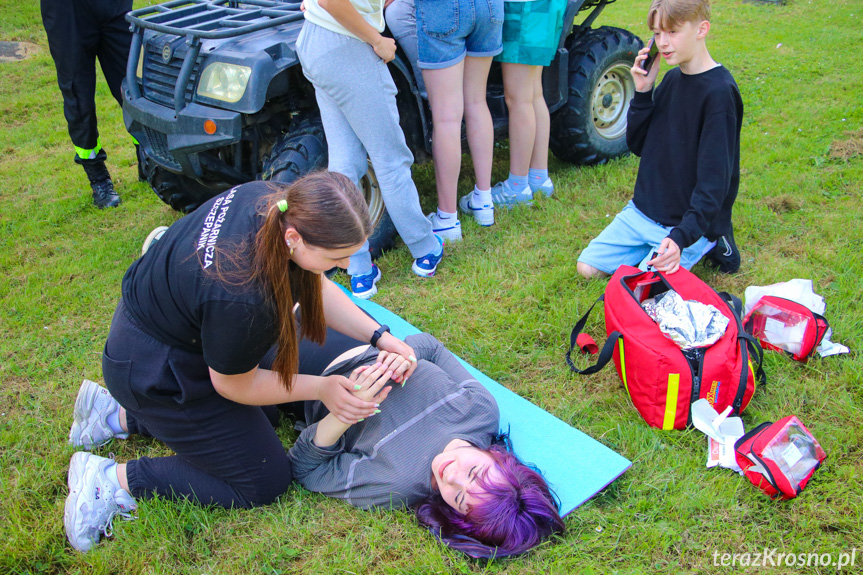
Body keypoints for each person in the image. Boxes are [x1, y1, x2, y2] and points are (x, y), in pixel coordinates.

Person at [63, 172, 421, 553]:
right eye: (338, 257)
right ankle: (109, 479)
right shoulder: (245, 298)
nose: (348, 266)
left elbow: (314, 283)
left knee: (265, 417)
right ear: (294, 239)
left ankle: (110, 416)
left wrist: (380, 336)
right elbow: (234, 385)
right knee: (263, 479)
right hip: (150, 370)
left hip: (167, 333)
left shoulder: (274, 201)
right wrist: (322, 388)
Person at [287, 330, 565, 556]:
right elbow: (430, 347)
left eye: (457, 497)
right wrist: (404, 358)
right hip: (358, 333)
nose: (451, 475)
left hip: (301, 369)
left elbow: (307, 469)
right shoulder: (480, 411)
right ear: (500, 459)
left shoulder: (397, 483)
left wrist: (345, 414)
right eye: (474, 472)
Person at [576, 0, 743, 278]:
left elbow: (715, 182)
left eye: (672, 32)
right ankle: (653, 248)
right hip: (643, 212)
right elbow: (639, 146)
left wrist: (681, 237)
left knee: (640, 289)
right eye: (656, 34)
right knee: (587, 269)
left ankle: (712, 237)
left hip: (683, 224)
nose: (662, 43)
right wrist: (643, 92)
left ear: (702, 29)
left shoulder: (719, 94)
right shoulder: (672, 80)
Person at [296, 0, 444, 300]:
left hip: (316, 38)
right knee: (391, 159)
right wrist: (378, 40)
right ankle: (425, 248)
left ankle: (359, 268)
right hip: (348, 44)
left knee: (345, 164)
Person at [415, 0, 504, 241]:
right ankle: (484, 201)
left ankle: (447, 218)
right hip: (489, 6)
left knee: (446, 117)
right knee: (476, 101)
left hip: (444, 8)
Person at [40, 0, 134, 209]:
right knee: (79, 96)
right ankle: (98, 177)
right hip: (66, 12)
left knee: (134, 84)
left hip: (113, 6)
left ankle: (150, 160)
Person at [490, 0, 568, 208]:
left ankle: (517, 187)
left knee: (518, 99)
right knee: (533, 93)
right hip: (544, 7)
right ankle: (538, 178)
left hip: (523, 8)